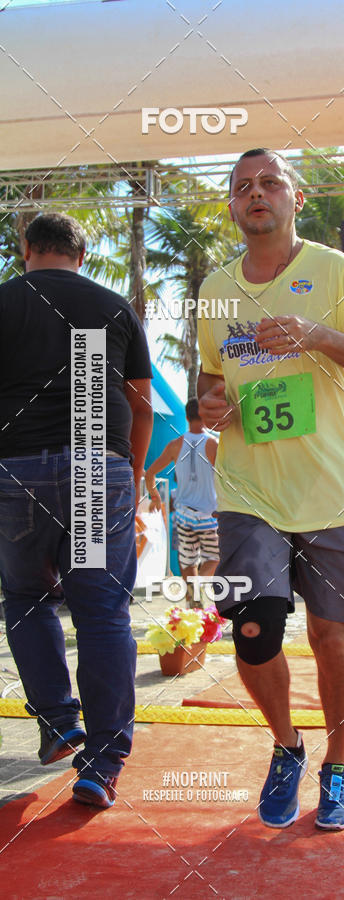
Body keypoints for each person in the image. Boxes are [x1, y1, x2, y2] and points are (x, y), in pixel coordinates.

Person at [196, 148, 344, 831]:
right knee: (253, 631)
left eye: (270, 183)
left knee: (329, 635)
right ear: (232, 205)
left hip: (333, 490)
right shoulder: (213, 291)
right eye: (242, 187)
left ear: (295, 199)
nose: (256, 193)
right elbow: (209, 382)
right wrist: (211, 403)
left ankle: (339, 764)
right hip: (248, 490)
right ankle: (287, 746)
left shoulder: (334, 271)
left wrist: (318, 335)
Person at [0, 213, 153, 809]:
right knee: (101, 610)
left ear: (28, 249)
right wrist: (130, 475)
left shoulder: (6, 301)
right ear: (81, 255)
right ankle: (103, 764)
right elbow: (140, 406)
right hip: (96, 465)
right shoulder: (113, 306)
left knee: (26, 597)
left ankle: (61, 721)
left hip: (17, 468)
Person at [145, 399, 219, 602]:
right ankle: (197, 591)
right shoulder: (214, 444)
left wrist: (155, 496)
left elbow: (150, 473)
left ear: (186, 417)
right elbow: (228, 478)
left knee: (188, 563)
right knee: (213, 558)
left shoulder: (175, 445)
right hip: (209, 514)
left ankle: (193, 607)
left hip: (183, 514)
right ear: (204, 415)